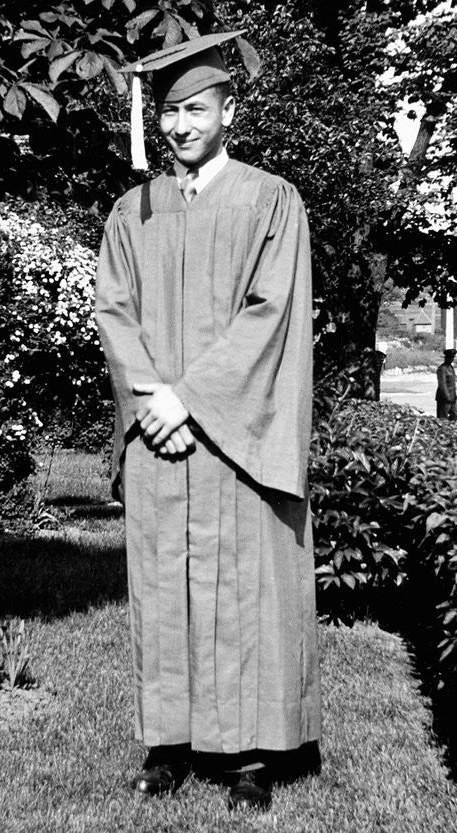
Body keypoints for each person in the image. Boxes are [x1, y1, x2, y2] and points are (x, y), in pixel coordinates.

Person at [95, 31, 321, 813]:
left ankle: (250, 756)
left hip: (232, 436)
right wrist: (152, 399)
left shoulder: (270, 199)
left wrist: (187, 398)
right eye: (169, 112)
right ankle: (167, 743)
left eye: (196, 108)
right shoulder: (135, 210)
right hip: (161, 435)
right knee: (164, 587)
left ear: (231, 108)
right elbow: (114, 310)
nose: (181, 125)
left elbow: (272, 314)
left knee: (244, 588)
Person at [436, 348, 457, 420]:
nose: (452, 359)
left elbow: (453, 383)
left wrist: (454, 396)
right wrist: (447, 397)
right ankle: (444, 429)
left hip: (453, 395)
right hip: (444, 397)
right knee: (442, 417)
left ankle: (449, 426)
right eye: (450, 358)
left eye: (452, 358)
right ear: (446, 358)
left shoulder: (451, 367)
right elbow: (442, 384)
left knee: (456, 413)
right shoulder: (442, 369)